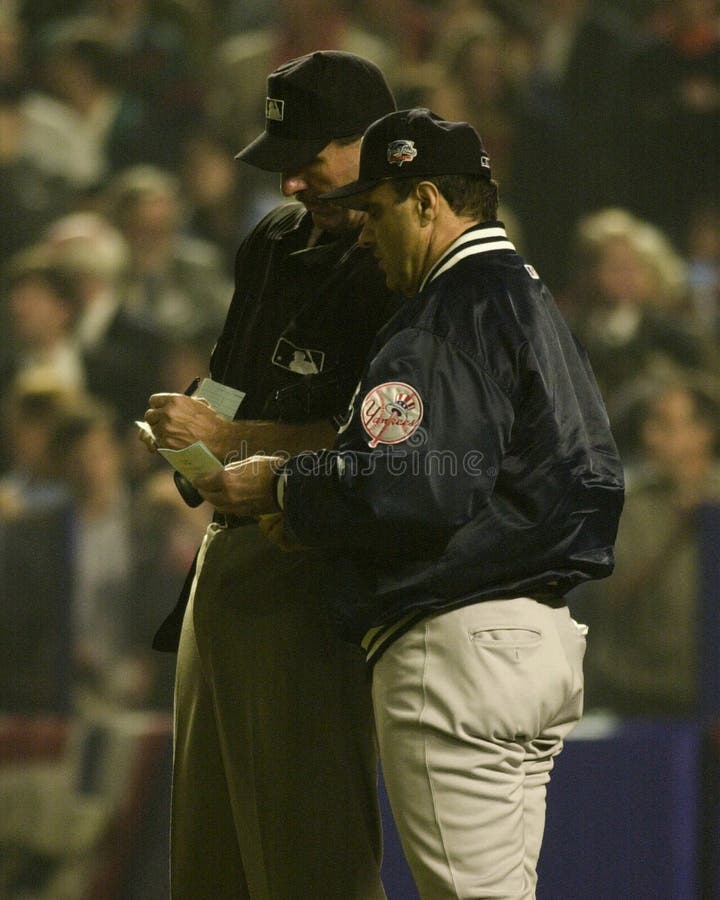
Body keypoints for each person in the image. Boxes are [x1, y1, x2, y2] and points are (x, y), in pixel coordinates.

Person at [193, 108, 625, 899]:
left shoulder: (444, 312)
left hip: (459, 644)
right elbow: (586, 478)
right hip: (545, 638)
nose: (362, 235)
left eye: (378, 209)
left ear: (427, 201)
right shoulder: (528, 296)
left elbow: (417, 486)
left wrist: (284, 484)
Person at [142, 51, 398, 899]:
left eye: (309, 162)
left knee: (309, 856)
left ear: (373, 146)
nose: (291, 185)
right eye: (281, 165)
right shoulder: (275, 240)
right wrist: (188, 438)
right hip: (222, 560)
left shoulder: (402, 262)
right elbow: (228, 373)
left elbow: (375, 437)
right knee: (207, 862)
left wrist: (233, 433)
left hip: (310, 564)